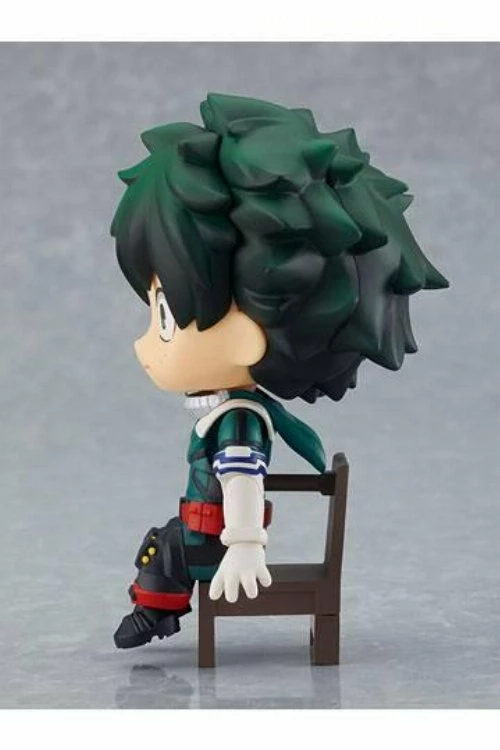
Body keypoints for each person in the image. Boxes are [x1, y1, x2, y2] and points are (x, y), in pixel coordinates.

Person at [110, 93, 448, 649]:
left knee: (163, 551)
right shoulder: (233, 411)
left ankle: (155, 615)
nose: (146, 342)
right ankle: (158, 611)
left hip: (215, 542)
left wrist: (245, 546)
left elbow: (242, 477)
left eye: (165, 318)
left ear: (247, 336)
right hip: (209, 531)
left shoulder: (238, 422)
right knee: (163, 544)